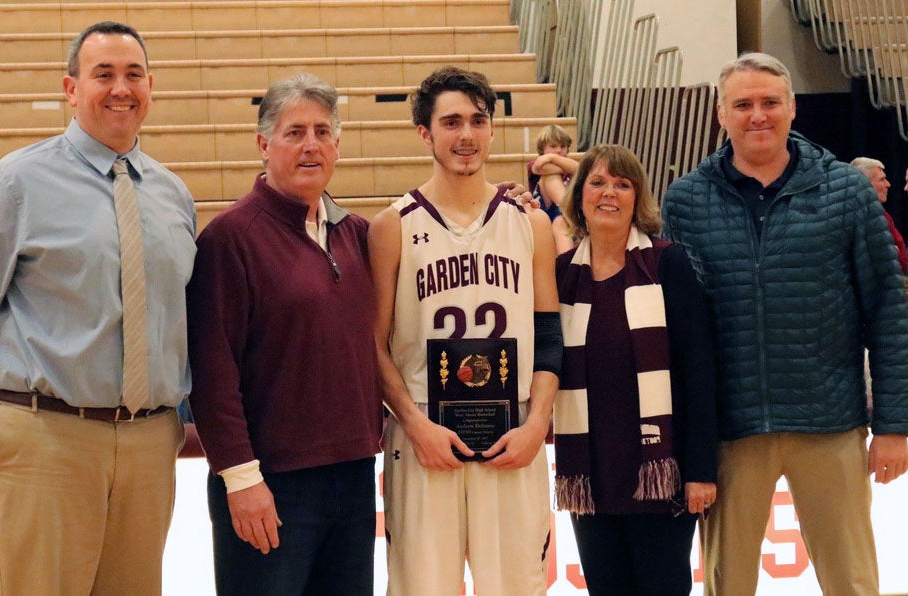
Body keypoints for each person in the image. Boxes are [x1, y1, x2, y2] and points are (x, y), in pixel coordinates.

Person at [0, 21, 196, 595]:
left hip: (148, 444)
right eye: (103, 74)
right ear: (71, 89)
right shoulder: (16, 184)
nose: (120, 88)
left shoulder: (172, 195)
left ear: (151, 86)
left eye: (133, 74)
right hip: (44, 436)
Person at [662, 52, 908, 596]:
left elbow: (888, 309)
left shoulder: (846, 192)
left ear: (793, 108)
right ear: (720, 113)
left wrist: (894, 424)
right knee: (729, 585)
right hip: (732, 430)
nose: (758, 116)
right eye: (743, 104)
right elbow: (679, 330)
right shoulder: (685, 201)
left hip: (830, 422)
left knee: (853, 581)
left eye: (770, 102)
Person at [186, 73, 383, 596]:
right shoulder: (229, 239)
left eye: (322, 131)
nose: (311, 144)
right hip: (270, 484)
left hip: (355, 477)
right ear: (263, 144)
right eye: (295, 132)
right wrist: (241, 478)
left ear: (338, 145)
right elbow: (212, 372)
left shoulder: (358, 234)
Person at [369, 66, 561, 596]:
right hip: (424, 439)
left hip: (512, 439)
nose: (467, 135)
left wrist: (536, 428)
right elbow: (374, 346)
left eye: (478, 121)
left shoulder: (530, 223)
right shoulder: (392, 226)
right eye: (451, 122)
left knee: (517, 588)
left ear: (493, 130)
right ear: (425, 134)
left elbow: (549, 338)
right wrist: (413, 424)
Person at [554, 144, 718, 595]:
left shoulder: (668, 263)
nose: (610, 193)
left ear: (637, 197)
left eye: (623, 184)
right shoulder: (560, 275)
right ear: (579, 195)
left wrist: (701, 470)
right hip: (591, 477)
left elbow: (699, 374)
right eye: (598, 182)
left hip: (659, 474)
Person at [528, 124, 580, 253]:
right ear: (542, 149)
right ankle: (572, 218)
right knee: (551, 177)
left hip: (560, 218)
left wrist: (552, 157)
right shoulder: (533, 164)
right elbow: (540, 167)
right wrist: (565, 166)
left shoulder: (566, 163)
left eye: (563, 146)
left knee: (560, 222)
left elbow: (579, 169)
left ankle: (566, 267)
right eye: (553, 146)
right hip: (542, 215)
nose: (558, 150)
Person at [851, 157, 908, 273]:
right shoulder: (853, 218)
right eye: (882, 180)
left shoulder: (883, 216)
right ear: (864, 184)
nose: (888, 184)